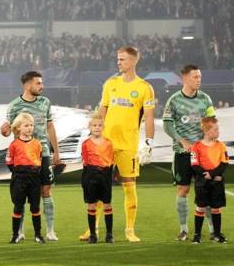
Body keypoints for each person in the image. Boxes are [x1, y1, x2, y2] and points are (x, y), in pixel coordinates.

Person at [95, 46, 155, 243]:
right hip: (105, 144)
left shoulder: (145, 88)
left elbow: (149, 117)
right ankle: (93, 229)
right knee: (99, 186)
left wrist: (149, 142)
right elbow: (102, 111)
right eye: (118, 59)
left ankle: (130, 230)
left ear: (134, 61)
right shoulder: (110, 83)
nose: (118, 62)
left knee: (129, 187)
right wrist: (95, 136)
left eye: (122, 59)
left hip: (128, 145)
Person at [0, 71, 61, 241]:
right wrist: (4, 132)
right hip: (23, 157)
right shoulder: (14, 106)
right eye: (38, 83)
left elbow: (50, 127)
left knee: (46, 191)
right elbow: (9, 130)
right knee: (21, 196)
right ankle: (19, 232)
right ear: (27, 85)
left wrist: (56, 152)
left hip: (43, 153)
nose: (42, 86)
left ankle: (50, 231)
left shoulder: (45, 102)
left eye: (41, 83)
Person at [163, 64, 216, 240]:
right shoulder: (174, 100)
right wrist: (182, 140)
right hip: (182, 153)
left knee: (205, 190)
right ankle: (184, 229)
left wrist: (208, 140)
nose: (199, 80)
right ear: (184, 78)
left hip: (202, 153)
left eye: (200, 76)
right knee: (183, 189)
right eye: (195, 77)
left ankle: (212, 230)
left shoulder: (205, 99)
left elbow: (211, 121)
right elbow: (167, 125)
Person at [6, 113, 45, 244]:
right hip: (19, 178)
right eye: (26, 125)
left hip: (34, 178)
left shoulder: (37, 144)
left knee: (35, 207)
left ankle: (38, 234)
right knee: (18, 207)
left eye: (31, 125)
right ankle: (15, 235)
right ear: (18, 128)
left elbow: (39, 160)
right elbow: (9, 162)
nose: (30, 128)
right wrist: (19, 172)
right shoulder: (14, 144)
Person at [190, 117, 228, 244]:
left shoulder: (221, 145)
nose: (218, 132)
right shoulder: (196, 146)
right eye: (215, 129)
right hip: (202, 183)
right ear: (206, 131)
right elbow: (194, 165)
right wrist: (205, 174)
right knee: (200, 207)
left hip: (216, 182)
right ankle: (197, 235)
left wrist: (211, 174)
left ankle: (217, 234)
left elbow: (224, 164)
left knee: (216, 208)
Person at [81, 112, 115, 244]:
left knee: (107, 204)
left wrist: (108, 175)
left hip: (105, 175)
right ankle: (93, 235)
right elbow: (85, 162)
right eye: (94, 125)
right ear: (90, 127)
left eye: (100, 125)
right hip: (91, 175)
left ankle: (109, 234)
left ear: (103, 127)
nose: (97, 127)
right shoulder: (85, 143)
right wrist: (85, 180)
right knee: (91, 204)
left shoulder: (109, 143)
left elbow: (111, 160)